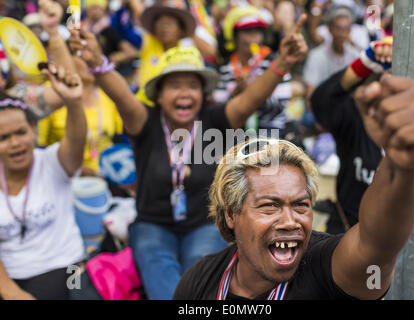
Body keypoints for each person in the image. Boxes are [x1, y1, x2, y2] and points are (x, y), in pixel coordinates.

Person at [67, 14, 309, 299]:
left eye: (192, 85)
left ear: (203, 92)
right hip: (151, 225)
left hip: (203, 224)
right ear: (159, 94)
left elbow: (249, 101)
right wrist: (97, 62)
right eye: (174, 85)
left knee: (201, 278)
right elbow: (121, 96)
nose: (184, 93)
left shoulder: (215, 119)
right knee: (161, 276)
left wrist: (283, 62)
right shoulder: (145, 121)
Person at [173, 74, 414, 300]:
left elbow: (376, 245)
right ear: (231, 214)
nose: (291, 222)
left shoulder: (323, 267)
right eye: (269, 206)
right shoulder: (199, 280)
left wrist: (400, 167)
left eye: (301, 205)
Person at [0, 64, 87, 300]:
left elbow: (76, 141)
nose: (15, 143)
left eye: (20, 132)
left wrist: (74, 102)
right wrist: (14, 294)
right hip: (12, 279)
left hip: (68, 268)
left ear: (33, 130)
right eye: (3, 138)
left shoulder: (53, 162)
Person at [310, 36, 392, 233]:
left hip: (401, 243)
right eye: (387, 77)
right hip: (347, 231)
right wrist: (364, 63)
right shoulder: (358, 118)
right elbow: (321, 101)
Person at [213, 5, 292, 134]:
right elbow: (218, 108)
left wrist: (251, 93)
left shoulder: (274, 62)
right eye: (247, 32)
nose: (254, 38)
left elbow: (280, 106)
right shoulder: (226, 67)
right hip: (236, 130)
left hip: (270, 129)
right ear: (235, 36)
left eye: (258, 32)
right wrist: (237, 93)